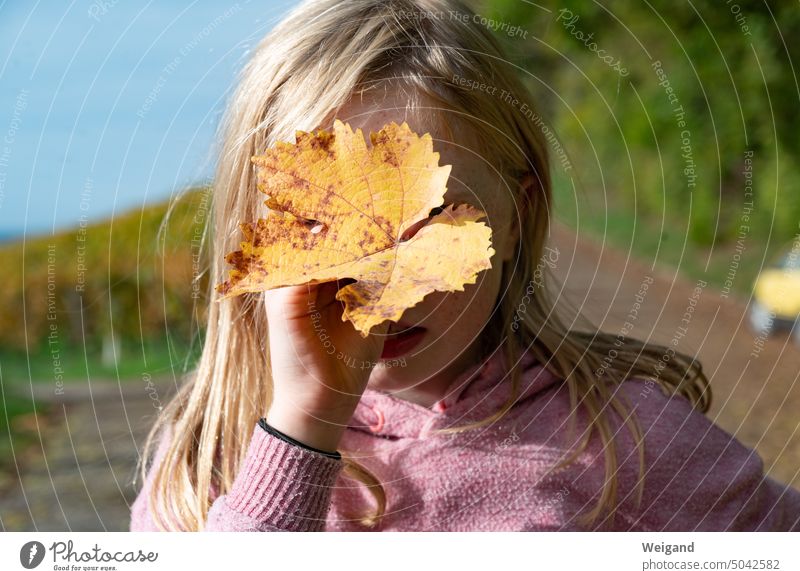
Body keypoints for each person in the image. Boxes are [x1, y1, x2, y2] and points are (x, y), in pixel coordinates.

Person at [129, 0, 800, 532]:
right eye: (326, 230)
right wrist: (300, 430)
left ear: (517, 216)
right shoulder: (206, 468)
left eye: (433, 222)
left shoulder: (625, 444)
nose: (386, 290)